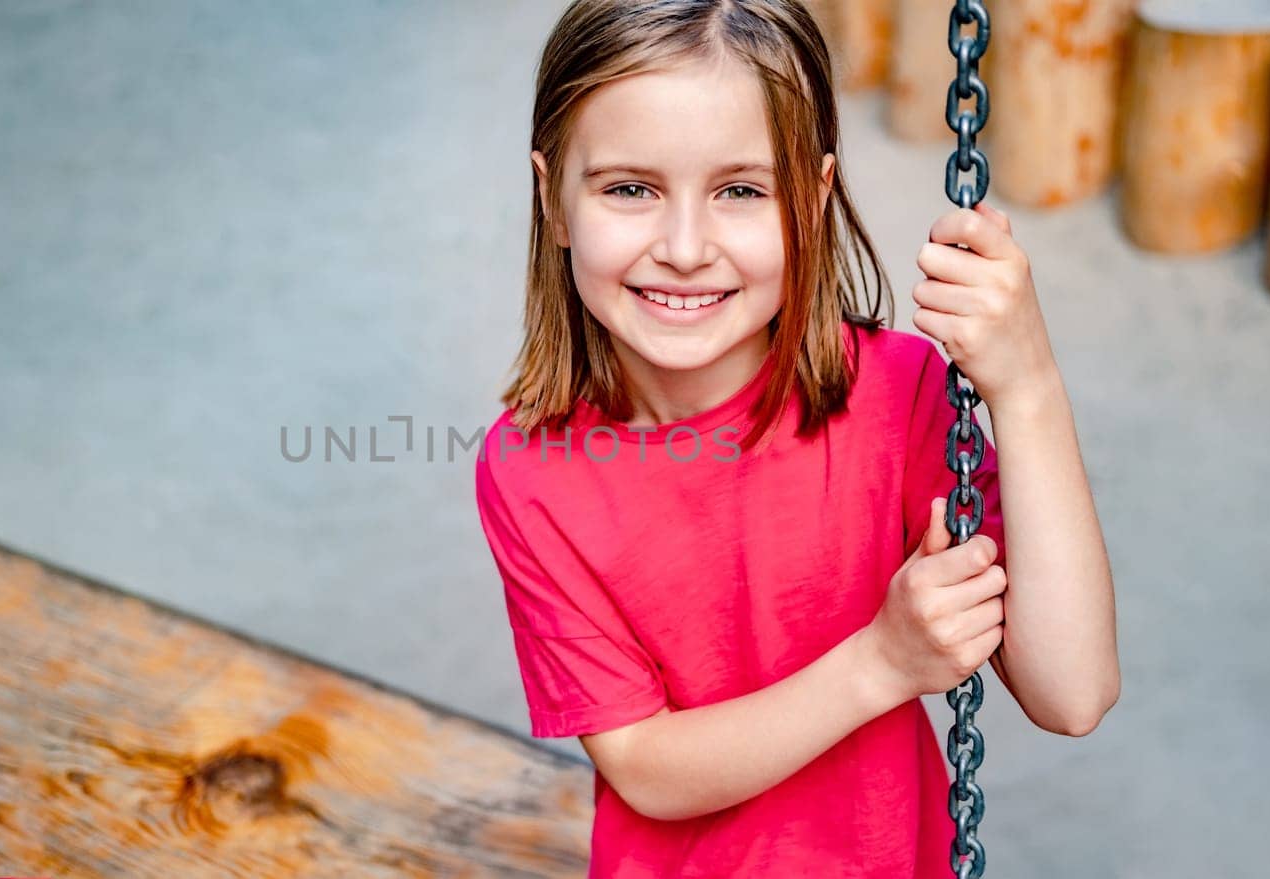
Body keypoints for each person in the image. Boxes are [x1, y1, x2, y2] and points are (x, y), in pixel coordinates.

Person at [472, 1, 1121, 876]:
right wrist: (882, 663)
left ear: (811, 200)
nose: (686, 247)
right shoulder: (530, 470)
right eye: (631, 188)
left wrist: (1028, 385)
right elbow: (646, 769)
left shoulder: (896, 397)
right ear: (553, 198)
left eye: (741, 190)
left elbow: (1073, 693)